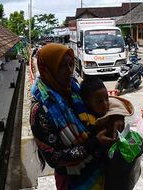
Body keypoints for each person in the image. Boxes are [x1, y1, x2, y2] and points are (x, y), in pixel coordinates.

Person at [29, 43, 115, 190]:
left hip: (98, 168)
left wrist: (115, 118)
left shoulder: (74, 88)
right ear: (48, 69)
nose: (69, 70)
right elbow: (54, 158)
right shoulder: (40, 111)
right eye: (62, 66)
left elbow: (95, 108)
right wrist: (93, 143)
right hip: (72, 180)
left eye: (71, 64)